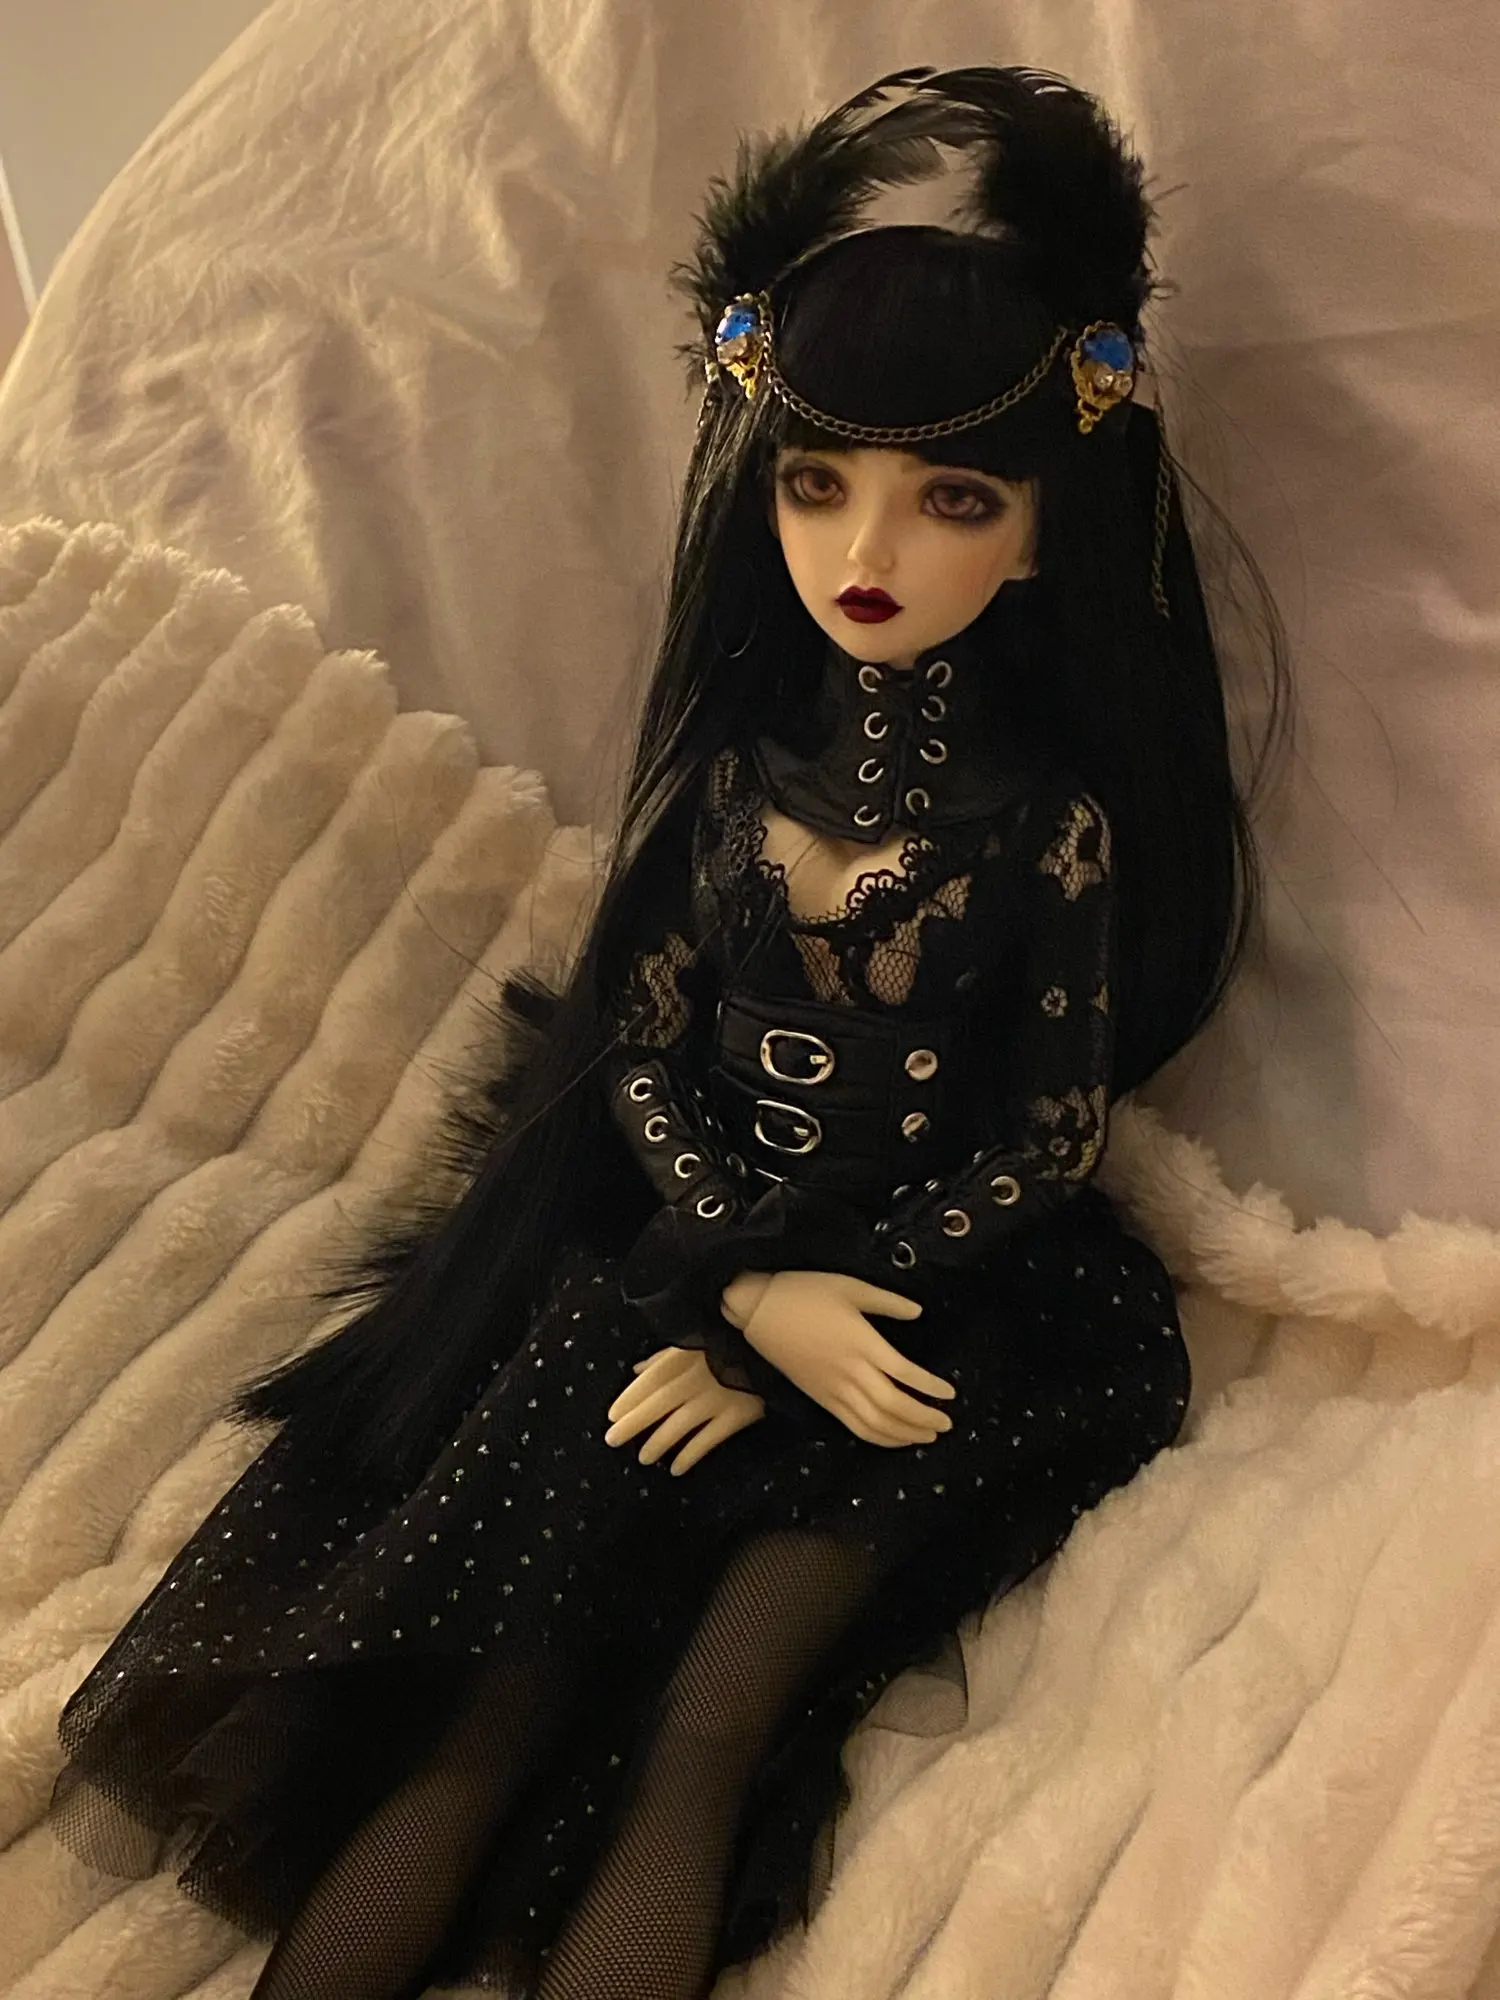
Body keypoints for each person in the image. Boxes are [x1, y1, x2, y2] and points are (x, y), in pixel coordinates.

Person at [45, 63, 1292, 2000]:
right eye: (817, 481)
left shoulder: (1045, 825)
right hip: (672, 1270)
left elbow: (1046, 1139)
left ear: (1042, 532)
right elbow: (639, 1052)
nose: (870, 543)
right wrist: (734, 1284)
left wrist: (828, 1300)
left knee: (711, 1718)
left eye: (954, 499)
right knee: (494, 1709)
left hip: (936, 1313)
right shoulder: (732, 786)